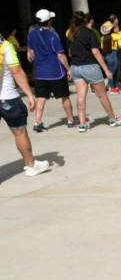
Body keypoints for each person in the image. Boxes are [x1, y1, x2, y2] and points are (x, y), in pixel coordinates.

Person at [0, 34, 51, 176]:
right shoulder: (5, 46)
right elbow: (16, 71)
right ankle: (30, 165)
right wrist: (29, 94)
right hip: (7, 98)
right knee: (19, 132)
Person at [68, 13, 121, 132]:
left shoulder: (71, 34)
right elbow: (95, 52)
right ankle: (112, 119)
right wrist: (106, 69)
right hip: (90, 67)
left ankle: (82, 124)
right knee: (102, 95)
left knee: (81, 96)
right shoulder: (89, 33)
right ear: (85, 21)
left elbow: (69, 52)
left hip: (76, 67)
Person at [26, 9, 75, 131]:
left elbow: (30, 53)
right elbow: (60, 55)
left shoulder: (32, 34)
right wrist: (68, 69)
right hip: (56, 73)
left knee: (41, 98)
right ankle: (70, 120)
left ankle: (37, 122)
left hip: (40, 73)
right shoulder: (53, 36)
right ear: (48, 22)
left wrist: (34, 57)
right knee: (65, 96)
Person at [100, 21, 121, 93]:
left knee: (111, 70)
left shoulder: (102, 38)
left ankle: (112, 86)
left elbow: (102, 48)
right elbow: (120, 39)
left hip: (106, 54)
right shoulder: (114, 36)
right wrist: (117, 30)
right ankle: (112, 87)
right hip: (113, 53)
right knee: (114, 71)